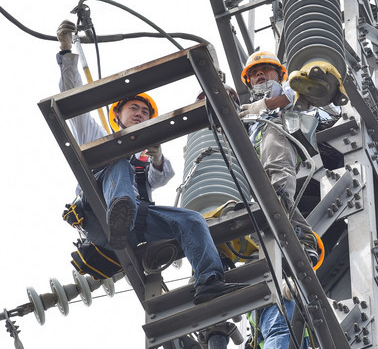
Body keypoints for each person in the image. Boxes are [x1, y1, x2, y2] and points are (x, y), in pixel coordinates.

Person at [56, 20, 244, 304]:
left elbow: (162, 176)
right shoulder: (95, 135)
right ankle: (120, 211)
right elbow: (71, 99)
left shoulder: (144, 157)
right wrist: (68, 51)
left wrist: (155, 156)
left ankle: (209, 280)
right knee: (117, 159)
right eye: (135, 108)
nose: (141, 114)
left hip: (133, 226)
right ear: (117, 115)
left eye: (146, 111)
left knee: (191, 220)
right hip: (98, 214)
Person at [239, 51, 319, 349]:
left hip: (277, 138)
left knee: (274, 166)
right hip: (251, 157)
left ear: (278, 74)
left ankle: (279, 209)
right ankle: (302, 237)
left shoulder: (286, 93)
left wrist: (263, 106)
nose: (260, 76)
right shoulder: (247, 111)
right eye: (255, 73)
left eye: (266, 71)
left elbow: (300, 90)